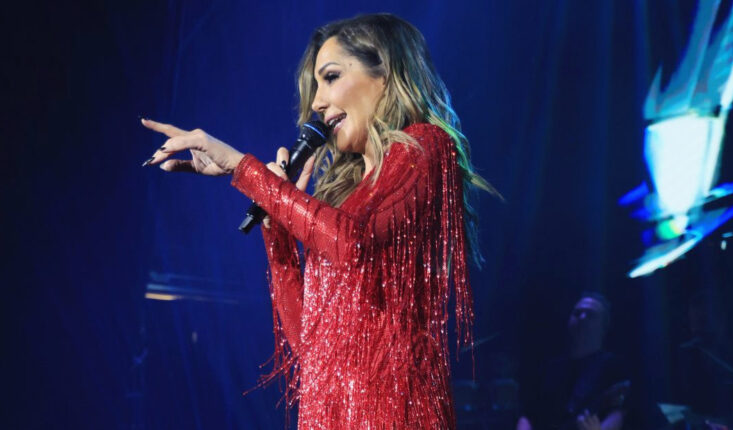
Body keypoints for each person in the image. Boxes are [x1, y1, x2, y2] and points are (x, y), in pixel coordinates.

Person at [142, 13, 496, 429]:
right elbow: (311, 345)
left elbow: (355, 245)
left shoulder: (426, 146)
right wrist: (276, 227)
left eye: (331, 77)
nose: (317, 103)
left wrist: (243, 168)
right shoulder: (345, 199)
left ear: (384, 72)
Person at [516, 293, 630, 430]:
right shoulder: (550, 368)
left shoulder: (614, 368)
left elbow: (619, 412)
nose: (582, 317)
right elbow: (528, 414)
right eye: (577, 313)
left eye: (590, 315)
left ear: (604, 326)